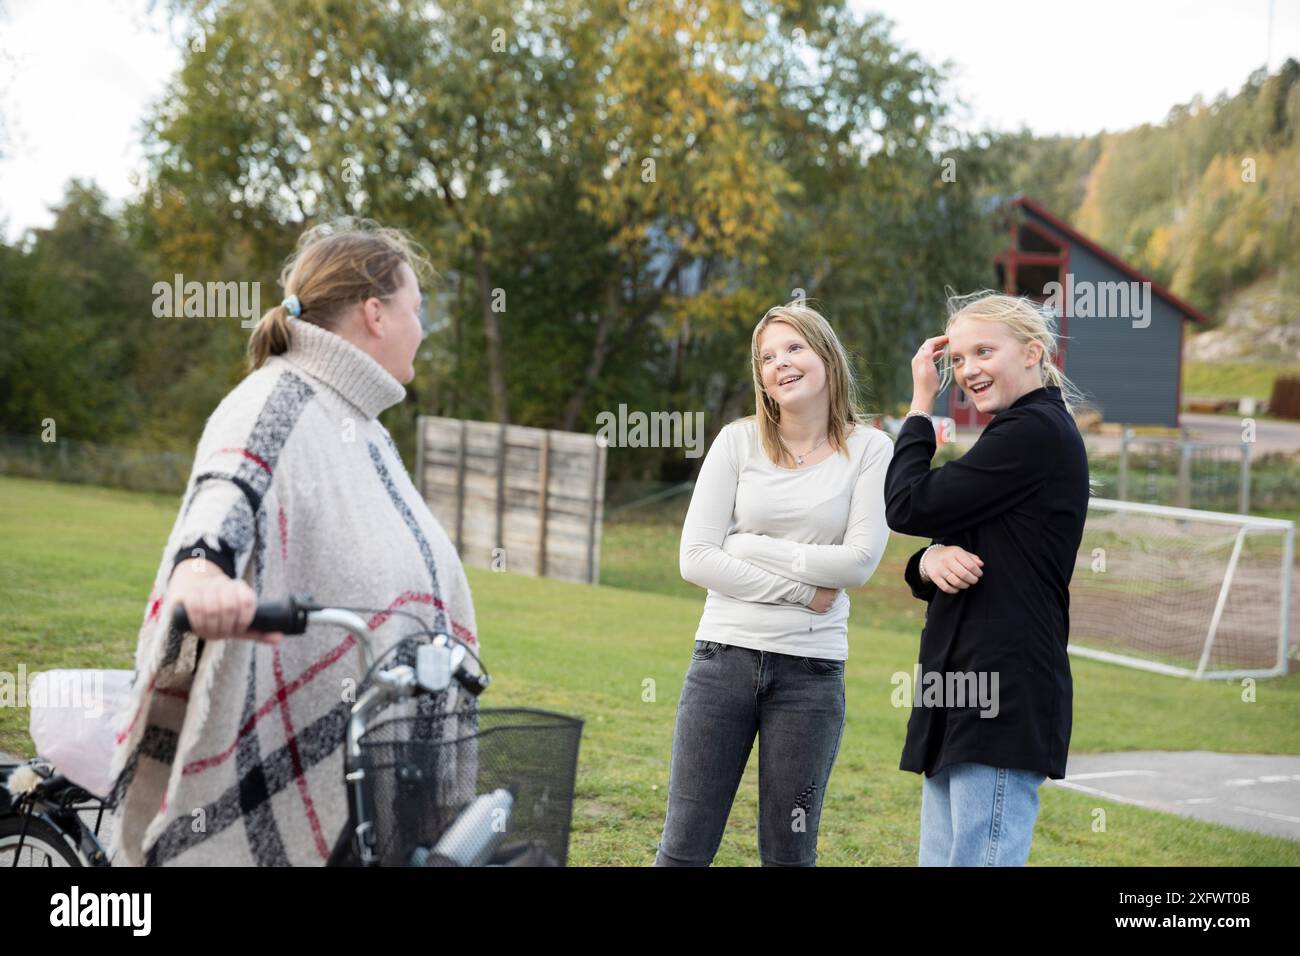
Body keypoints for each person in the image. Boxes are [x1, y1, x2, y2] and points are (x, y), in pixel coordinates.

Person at [108, 220, 479, 866]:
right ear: (375, 314)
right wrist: (200, 579)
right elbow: (224, 496)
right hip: (306, 756)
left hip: (369, 759)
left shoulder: (361, 427)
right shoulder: (274, 402)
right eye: (416, 310)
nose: (423, 328)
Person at [654, 300, 894, 866]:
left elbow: (858, 564)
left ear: (827, 357)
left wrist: (752, 546)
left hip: (810, 674)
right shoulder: (736, 442)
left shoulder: (871, 450)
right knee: (683, 847)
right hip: (721, 662)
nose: (780, 364)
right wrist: (801, 591)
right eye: (766, 357)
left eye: (794, 348)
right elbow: (695, 559)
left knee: (790, 853)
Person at [884, 290, 1090, 867]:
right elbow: (953, 540)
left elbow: (908, 504)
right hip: (958, 688)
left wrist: (922, 404)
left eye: (984, 352)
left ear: (1032, 352)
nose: (968, 369)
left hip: (1001, 695)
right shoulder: (1010, 435)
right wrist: (926, 562)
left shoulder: (1036, 433)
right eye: (957, 360)